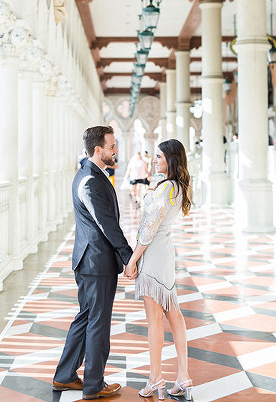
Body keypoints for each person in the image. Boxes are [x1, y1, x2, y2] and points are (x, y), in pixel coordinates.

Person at [53, 125, 135, 399]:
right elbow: (107, 224)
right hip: (96, 264)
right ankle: (93, 385)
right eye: (112, 146)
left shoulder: (92, 175)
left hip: (91, 261)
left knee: (86, 319)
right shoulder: (89, 180)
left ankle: (65, 376)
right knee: (98, 324)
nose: (116, 151)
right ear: (98, 150)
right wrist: (129, 256)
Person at [126, 139, 194, 400]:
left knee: (155, 319)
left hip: (154, 255)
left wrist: (133, 260)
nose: (154, 160)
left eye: (158, 157)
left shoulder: (167, 188)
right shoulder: (177, 187)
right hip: (165, 254)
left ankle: (155, 379)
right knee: (174, 313)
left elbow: (149, 228)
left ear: (171, 160)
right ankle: (183, 377)